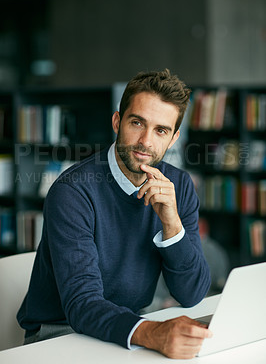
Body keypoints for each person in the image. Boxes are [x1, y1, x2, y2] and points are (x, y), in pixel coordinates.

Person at [17, 69, 212, 359]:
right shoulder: (72, 191)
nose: (146, 141)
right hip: (59, 333)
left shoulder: (179, 186)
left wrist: (172, 224)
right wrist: (151, 333)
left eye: (161, 130)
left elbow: (192, 293)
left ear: (173, 139)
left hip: (127, 325)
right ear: (117, 121)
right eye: (137, 123)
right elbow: (82, 304)